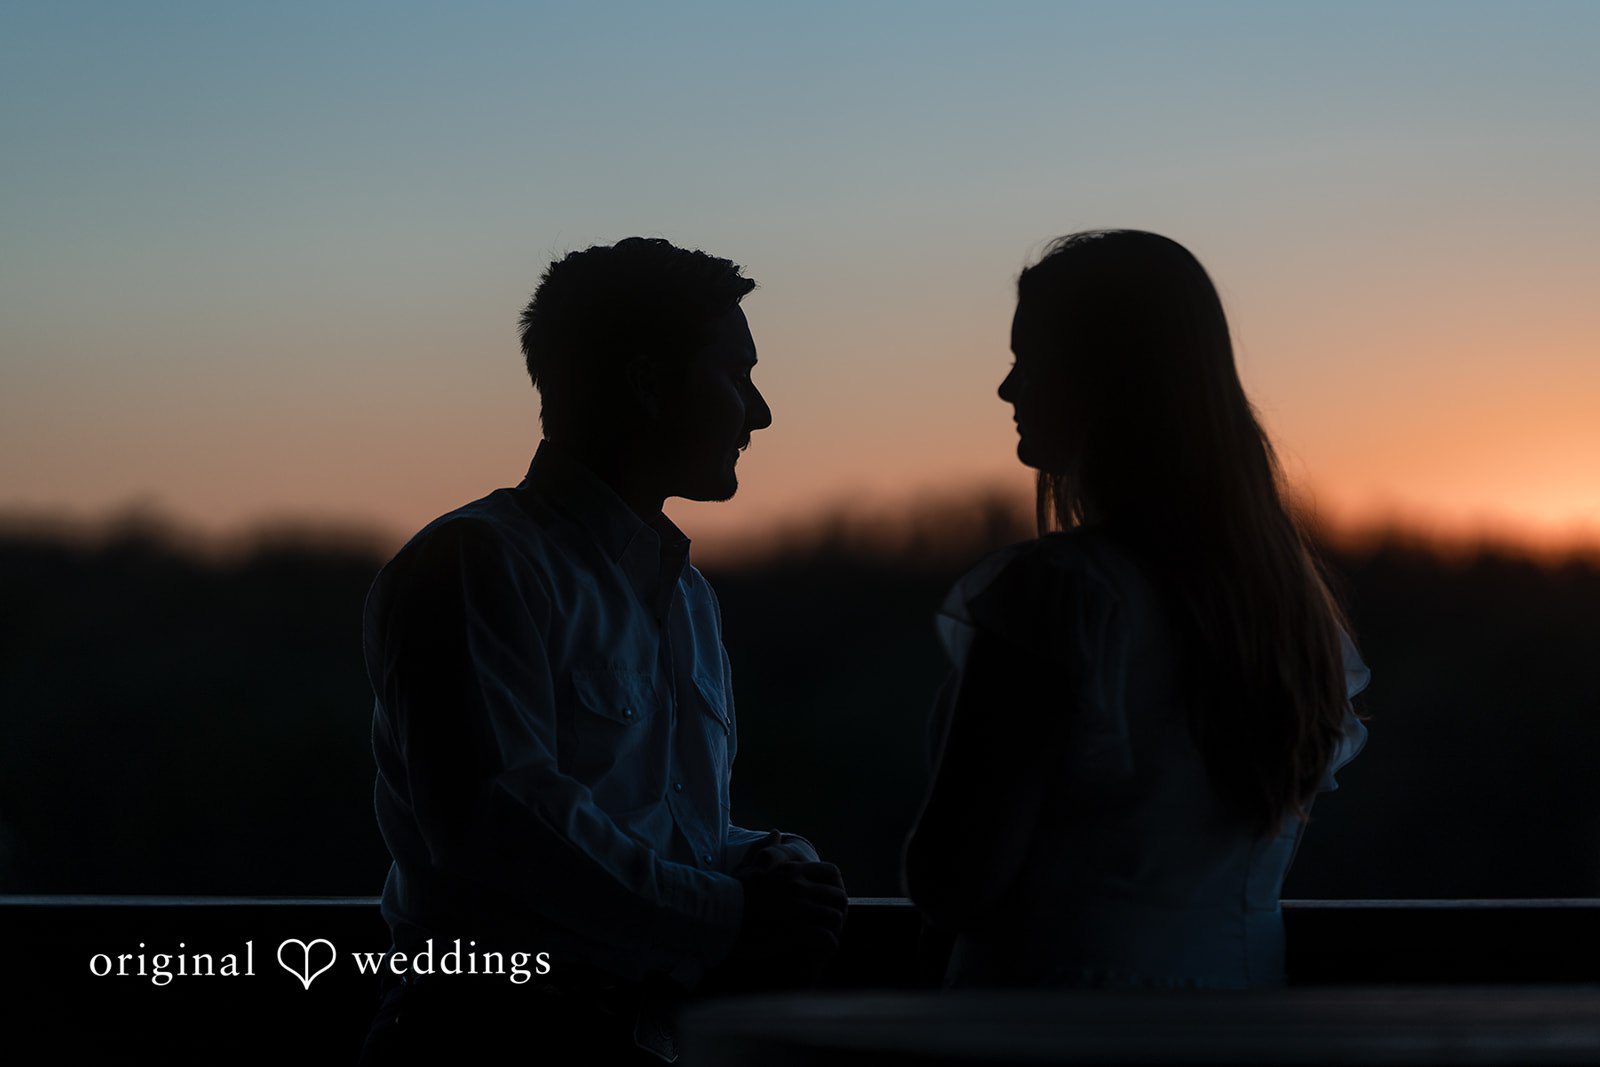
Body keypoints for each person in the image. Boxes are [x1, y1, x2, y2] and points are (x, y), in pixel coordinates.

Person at [358, 238, 847, 1063]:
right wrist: (740, 914)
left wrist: (768, 860)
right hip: (491, 1045)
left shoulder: (686, 595)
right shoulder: (475, 566)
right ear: (649, 383)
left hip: (642, 1043)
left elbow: (654, 829)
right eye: (736, 375)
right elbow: (503, 834)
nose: (758, 413)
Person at [903, 230, 1369, 989]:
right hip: (1233, 1024)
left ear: (1102, 379)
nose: (1007, 390)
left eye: (1030, 360)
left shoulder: (1060, 598)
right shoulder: (1287, 614)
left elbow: (956, 877)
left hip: (1056, 1034)